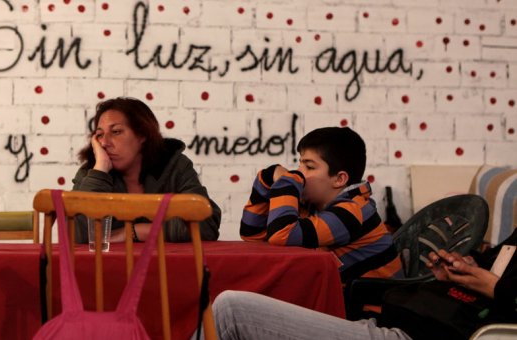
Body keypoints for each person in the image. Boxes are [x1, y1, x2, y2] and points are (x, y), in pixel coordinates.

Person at [213, 228, 517, 340]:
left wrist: (491, 286)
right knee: (224, 306)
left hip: (424, 332)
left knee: (231, 309)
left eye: (308, 166)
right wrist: (463, 271)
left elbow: (282, 233)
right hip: (410, 318)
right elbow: (495, 265)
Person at [240, 127, 402, 282]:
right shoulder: (314, 206)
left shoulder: (352, 212)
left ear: (339, 179)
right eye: (299, 164)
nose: (298, 173)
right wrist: (268, 177)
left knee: (232, 302)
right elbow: (253, 236)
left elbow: (282, 234)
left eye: (309, 166)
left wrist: (288, 181)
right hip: (336, 301)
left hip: (367, 308)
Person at [72, 97, 221, 242]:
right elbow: (76, 235)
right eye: (99, 135)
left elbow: (205, 225)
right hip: (111, 267)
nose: (104, 143)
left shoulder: (175, 166)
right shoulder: (92, 174)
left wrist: (134, 231)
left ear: (142, 134)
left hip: (167, 266)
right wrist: (100, 171)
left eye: (116, 131)